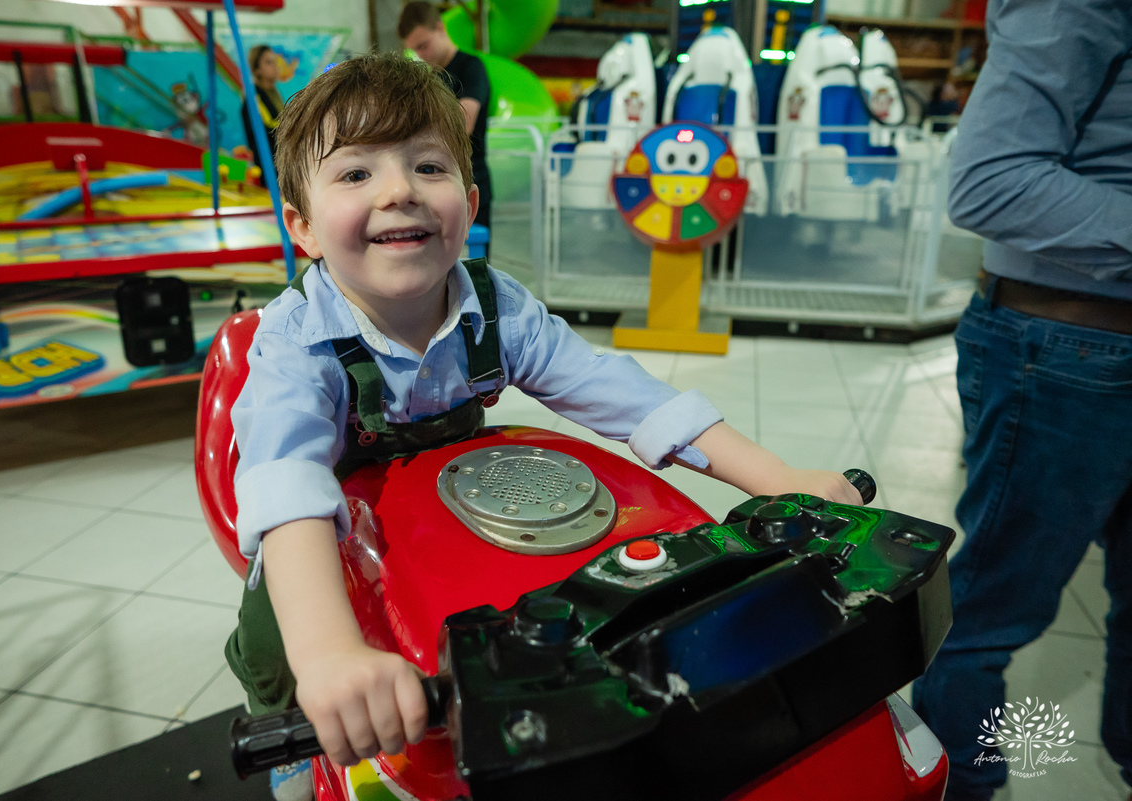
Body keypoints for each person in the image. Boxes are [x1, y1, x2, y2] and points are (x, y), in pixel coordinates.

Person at [225, 51, 861, 801]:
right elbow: (287, 485)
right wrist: (327, 654)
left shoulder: (497, 306)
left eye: (426, 167)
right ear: (300, 227)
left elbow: (617, 390)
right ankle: (273, 710)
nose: (399, 191)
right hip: (334, 509)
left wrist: (777, 479)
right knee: (275, 630)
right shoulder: (293, 340)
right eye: (357, 173)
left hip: (449, 489)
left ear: (468, 198)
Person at [909, 2, 1132, 800]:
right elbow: (990, 181)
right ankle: (960, 782)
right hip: (1071, 344)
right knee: (995, 606)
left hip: (1088, 344)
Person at [397, 2, 492, 249]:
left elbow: (463, 124)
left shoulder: (472, 67)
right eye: (414, 51)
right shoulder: (427, 78)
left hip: (471, 177)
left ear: (440, 28)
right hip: (431, 180)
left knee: (473, 264)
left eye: (423, 46)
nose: (421, 55)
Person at [242, 44, 284, 170]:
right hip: (269, 166)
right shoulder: (255, 98)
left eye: (274, 61)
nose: (274, 66)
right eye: (268, 62)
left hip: (281, 161)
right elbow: (270, 128)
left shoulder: (274, 94)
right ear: (257, 70)